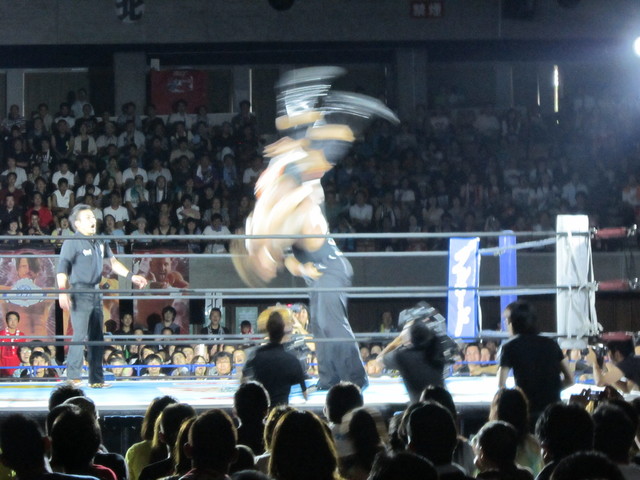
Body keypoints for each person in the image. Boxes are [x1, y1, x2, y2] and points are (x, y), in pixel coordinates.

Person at [56, 203, 147, 388]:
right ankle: (73, 377)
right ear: (77, 224)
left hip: (96, 291)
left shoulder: (99, 241)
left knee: (97, 337)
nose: (93, 220)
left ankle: (96, 379)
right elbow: (62, 268)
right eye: (88, 218)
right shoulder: (72, 242)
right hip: (79, 291)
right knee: (80, 334)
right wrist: (63, 291)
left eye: (93, 217)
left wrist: (132, 276)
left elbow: (113, 263)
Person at [497, 301, 573, 420]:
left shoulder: (509, 347)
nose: (506, 324)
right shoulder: (551, 344)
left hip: (527, 411)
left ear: (513, 322)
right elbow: (570, 379)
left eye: (507, 320)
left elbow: (501, 385)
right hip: (554, 410)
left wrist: (520, 398)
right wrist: (550, 391)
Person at [242, 311, 308, 405]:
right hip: (282, 409)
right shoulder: (292, 359)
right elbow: (305, 394)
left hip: (262, 408)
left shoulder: (256, 355)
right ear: (283, 332)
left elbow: (243, 380)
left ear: (268, 331)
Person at [379, 320, 446, 403]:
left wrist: (397, 341)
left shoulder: (403, 356)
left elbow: (379, 360)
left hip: (419, 406)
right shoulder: (436, 350)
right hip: (443, 405)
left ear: (411, 336)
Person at [0, 311, 25, 377]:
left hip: (17, 368)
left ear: (18, 321)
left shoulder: (21, 335)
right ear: (6, 321)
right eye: (10, 319)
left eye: (15, 319)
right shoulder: (1, 334)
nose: (13, 322)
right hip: (3, 367)